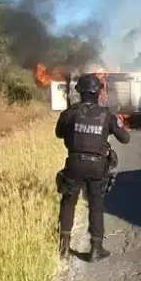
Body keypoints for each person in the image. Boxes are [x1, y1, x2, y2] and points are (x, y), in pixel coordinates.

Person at [55, 73, 131, 262]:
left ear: (79, 92)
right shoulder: (107, 115)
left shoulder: (70, 113)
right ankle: (96, 249)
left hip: (74, 163)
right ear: (99, 93)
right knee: (96, 205)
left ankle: (64, 248)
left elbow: (58, 133)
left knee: (68, 202)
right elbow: (125, 139)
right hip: (97, 166)